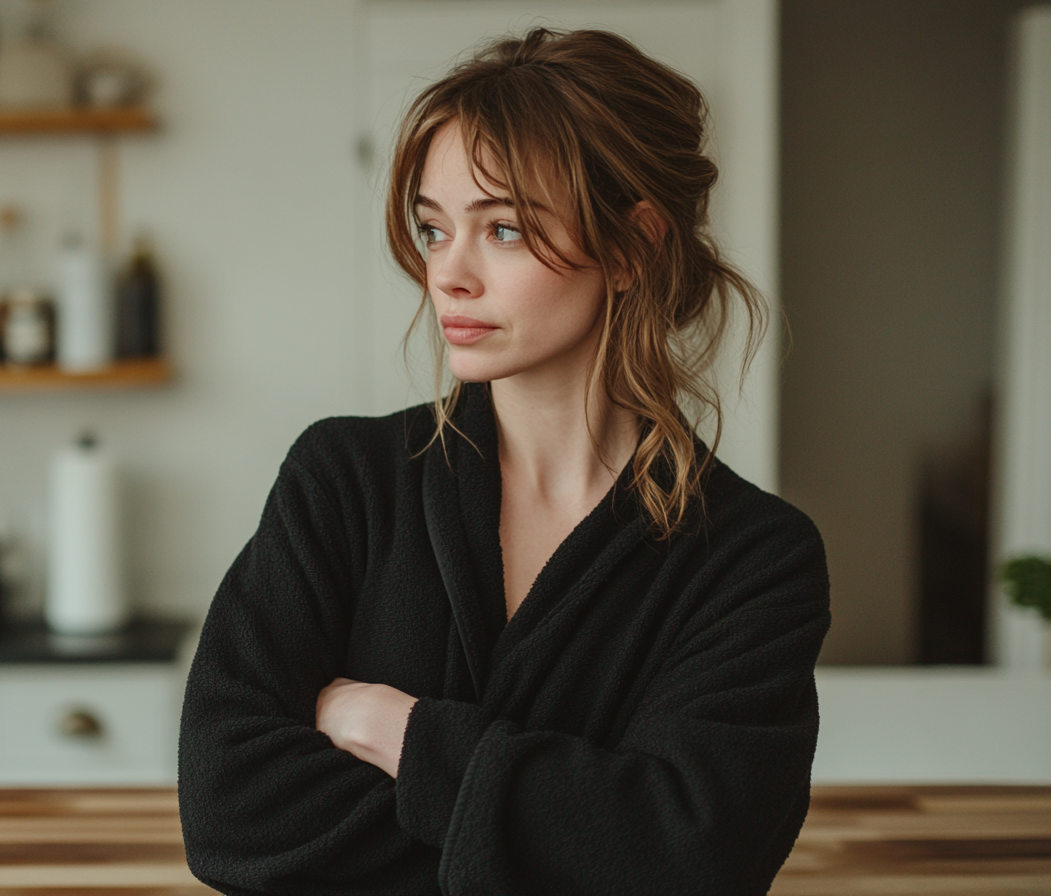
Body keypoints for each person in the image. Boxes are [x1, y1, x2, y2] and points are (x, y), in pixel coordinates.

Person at [179, 27, 830, 896]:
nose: (449, 273)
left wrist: (400, 732)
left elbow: (689, 859)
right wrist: (565, 832)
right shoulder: (342, 480)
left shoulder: (754, 558)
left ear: (634, 246)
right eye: (434, 228)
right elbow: (230, 811)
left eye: (506, 230)